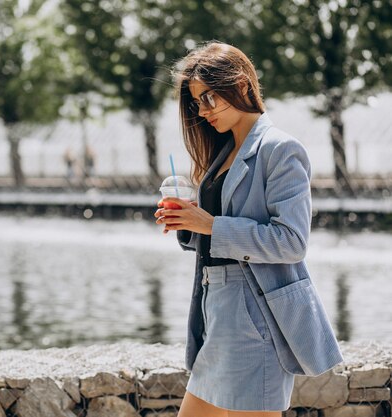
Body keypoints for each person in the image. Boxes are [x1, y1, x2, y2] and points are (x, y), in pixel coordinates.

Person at [154, 41, 343, 416]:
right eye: (196, 103)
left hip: (255, 314)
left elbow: (291, 241)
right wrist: (189, 223)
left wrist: (211, 223)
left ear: (240, 85)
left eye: (208, 98)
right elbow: (218, 234)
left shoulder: (280, 149)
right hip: (217, 309)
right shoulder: (222, 152)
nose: (202, 112)